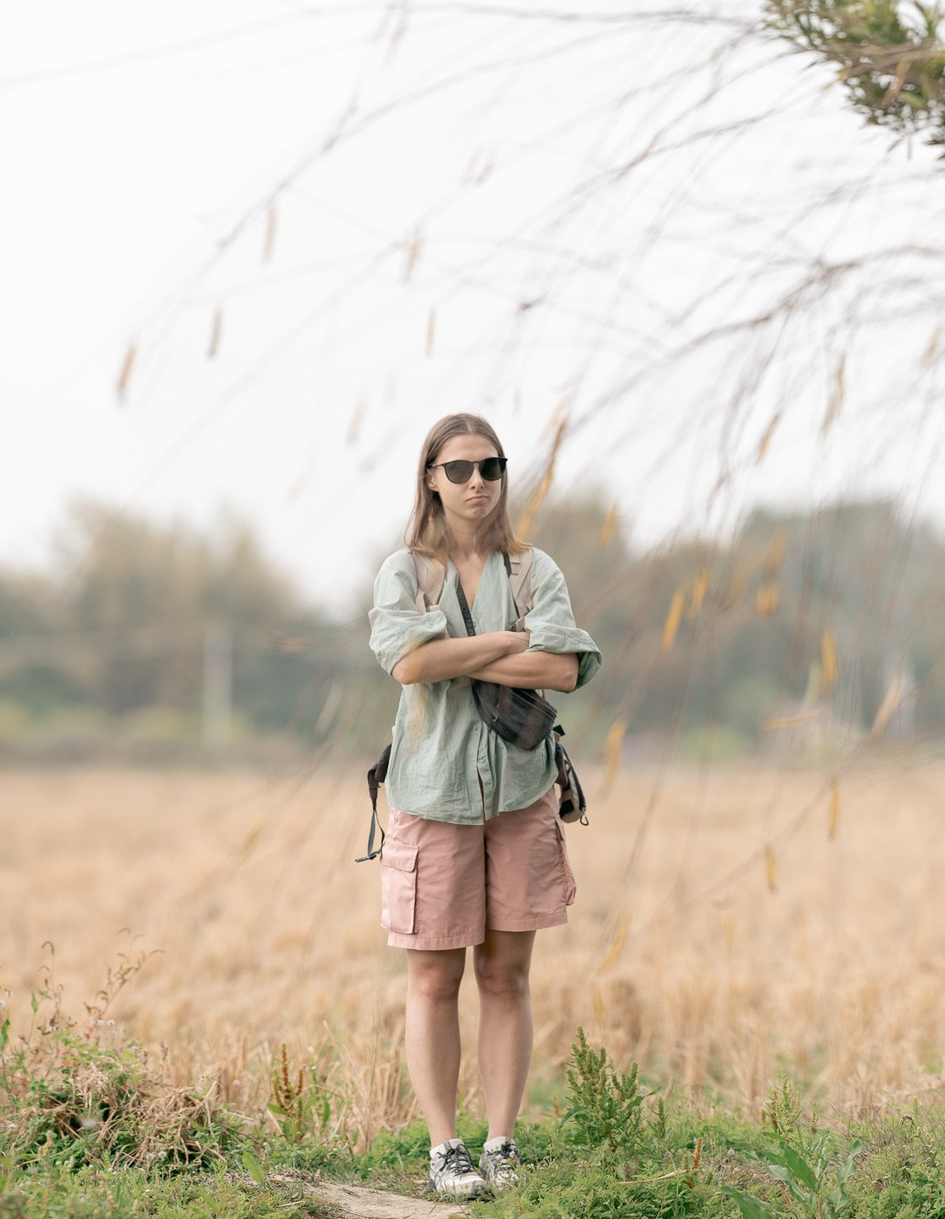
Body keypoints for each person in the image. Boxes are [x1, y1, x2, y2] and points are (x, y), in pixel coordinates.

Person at [365, 412, 602, 1199]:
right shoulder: (404, 572)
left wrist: (456, 654)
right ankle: (445, 1149)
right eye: (460, 468)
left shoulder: (536, 568)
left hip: (521, 794)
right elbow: (407, 663)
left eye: (491, 468)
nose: (477, 482)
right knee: (433, 980)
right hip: (431, 799)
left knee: (507, 977)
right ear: (430, 476)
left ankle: (502, 1142)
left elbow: (566, 669)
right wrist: (510, 643)